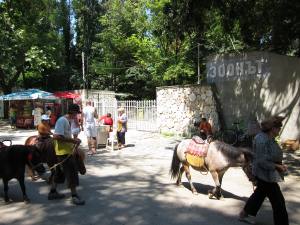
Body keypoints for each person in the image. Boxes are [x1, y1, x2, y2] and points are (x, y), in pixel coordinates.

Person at [239, 115, 289, 225]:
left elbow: (270, 155)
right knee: (278, 202)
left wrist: (278, 164)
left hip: (268, 174)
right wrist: (277, 166)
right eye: (278, 128)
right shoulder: (262, 139)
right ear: (272, 129)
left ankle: (244, 214)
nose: (280, 130)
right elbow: (262, 161)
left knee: (259, 195)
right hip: (264, 174)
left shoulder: (269, 137)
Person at [49, 104, 85, 205]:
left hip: (65, 151)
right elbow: (56, 136)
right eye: (77, 114)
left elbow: (64, 136)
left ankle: (52, 192)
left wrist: (73, 141)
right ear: (73, 112)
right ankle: (74, 196)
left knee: (59, 173)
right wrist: (73, 141)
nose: (77, 116)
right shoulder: (62, 120)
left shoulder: (67, 121)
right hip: (63, 152)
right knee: (72, 173)